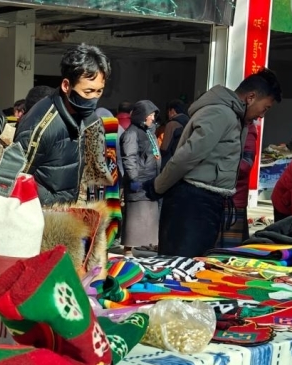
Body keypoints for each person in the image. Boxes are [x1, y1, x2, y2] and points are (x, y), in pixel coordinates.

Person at [152, 68, 282, 257]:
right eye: (266, 108)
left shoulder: (235, 118)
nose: (262, 115)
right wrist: (158, 187)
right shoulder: (221, 113)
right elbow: (187, 155)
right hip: (192, 204)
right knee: (182, 264)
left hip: (206, 202)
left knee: (196, 263)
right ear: (251, 97)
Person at [15, 43, 111, 207]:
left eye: (99, 91)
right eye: (88, 92)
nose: (94, 99)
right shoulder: (40, 126)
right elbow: (15, 181)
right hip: (40, 216)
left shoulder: (89, 120)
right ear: (66, 86)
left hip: (70, 213)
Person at [120, 100, 161, 251]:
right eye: (150, 115)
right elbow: (129, 157)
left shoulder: (149, 132)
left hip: (150, 179)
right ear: (142, 116)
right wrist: (134, 178)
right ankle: (128, 248)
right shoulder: (131, 133)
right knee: (134, 216)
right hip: (139, 180)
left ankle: (150, 243)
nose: (153, 118)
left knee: (149, 215)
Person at [158, 99, 189, 167]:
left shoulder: (172, 124)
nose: (168, 114)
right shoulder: (189, 122)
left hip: (171, 162)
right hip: (185, 160)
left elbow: (164, 148)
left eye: (168, 111)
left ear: (172, 110)